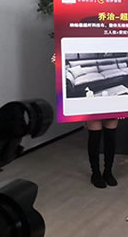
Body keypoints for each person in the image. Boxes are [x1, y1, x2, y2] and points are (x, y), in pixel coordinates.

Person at [51, 54, 119, 189]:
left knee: (110, 137)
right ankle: (95, 173)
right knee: (95, 137)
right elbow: (64, 74)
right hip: (91, 102)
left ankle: (108, 172)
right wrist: (57, 64)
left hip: (111, 102)